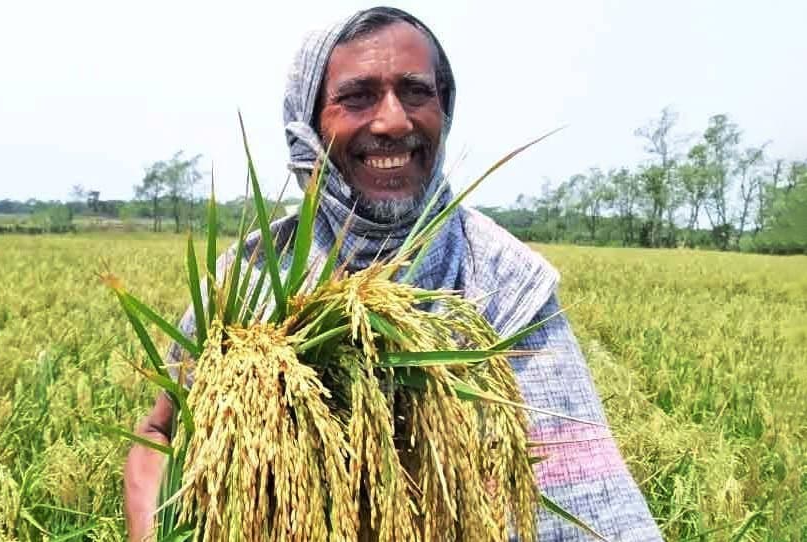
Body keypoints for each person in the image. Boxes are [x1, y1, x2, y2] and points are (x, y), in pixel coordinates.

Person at [124, 6, 663, 541]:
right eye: (357, 96)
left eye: (415, 92)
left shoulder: (503, 282)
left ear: (444, 112)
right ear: (308, 124)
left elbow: (582, 492)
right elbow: (159, 433)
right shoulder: (254, 276)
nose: (393, 120)